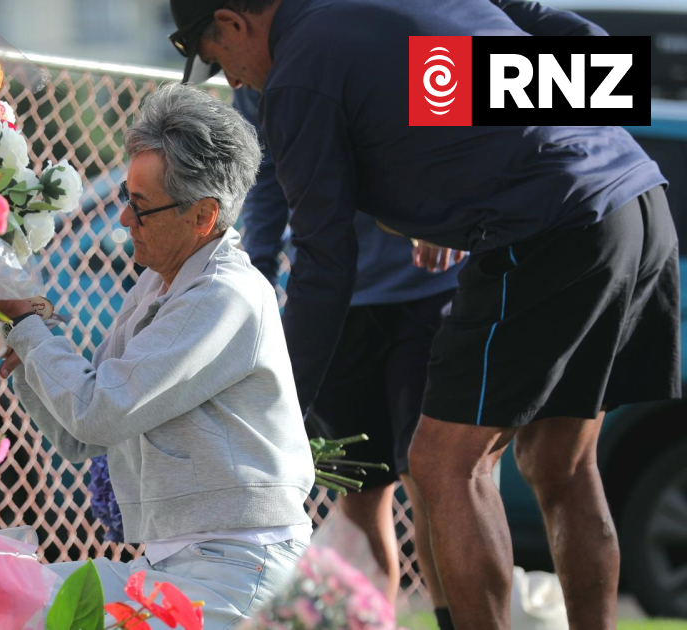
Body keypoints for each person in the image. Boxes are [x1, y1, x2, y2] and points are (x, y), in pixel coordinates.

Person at [166, 1, 680, 629]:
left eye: (220, 61)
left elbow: (326, 261)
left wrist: (281, 409)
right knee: (559, 464)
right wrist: (462, 181)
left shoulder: (297, 74)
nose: (233, 80)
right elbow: (591, 51)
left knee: (442, 463)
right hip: (637, 197)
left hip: (550, 228)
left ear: (233, 22)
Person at [0, 83, 315, 629]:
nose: (123, 219)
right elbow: (81, 437)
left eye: (140, 207)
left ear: (204, 216)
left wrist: (27, 326)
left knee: (20, 606)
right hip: (185, 564)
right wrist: (26, 347)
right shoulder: (159, 285)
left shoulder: (224, 295)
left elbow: (98, 411)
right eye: (125, 198)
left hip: (238, 571)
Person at [233, 86, 462, 619]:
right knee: (360, 494)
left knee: (432, 480)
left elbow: (449, 114)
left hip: (428, 289)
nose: (230, 74)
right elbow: (266, 181)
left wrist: (447, 208)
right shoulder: (250, 83)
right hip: (335, 304)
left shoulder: (360, 44)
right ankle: (369, 620)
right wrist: (257, 275)